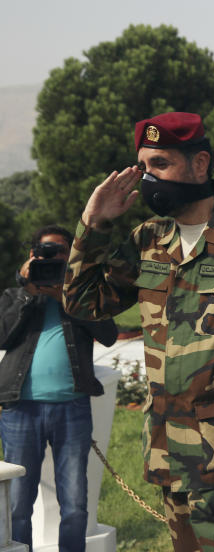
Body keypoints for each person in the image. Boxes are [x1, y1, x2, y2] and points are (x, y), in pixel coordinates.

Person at [62, 112, 214, 552]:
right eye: (143, 167)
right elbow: (84, 303)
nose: (148, 179)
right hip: (168, 451)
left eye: (160, 164)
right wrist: (93, 223)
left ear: (200, 163)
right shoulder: (148, 238)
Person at [0, 226, 117, 552]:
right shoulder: (15, 295)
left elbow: (108, 332)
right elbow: (1, 336)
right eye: (43, 252)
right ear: (31, 255)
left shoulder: (83, 296)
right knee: (18, 504)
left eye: (58, 252)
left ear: (72, 256)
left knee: (75, 501)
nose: (50, 259)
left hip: (72, 408)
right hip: (21, 408)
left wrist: (67, 296)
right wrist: (28, 291)